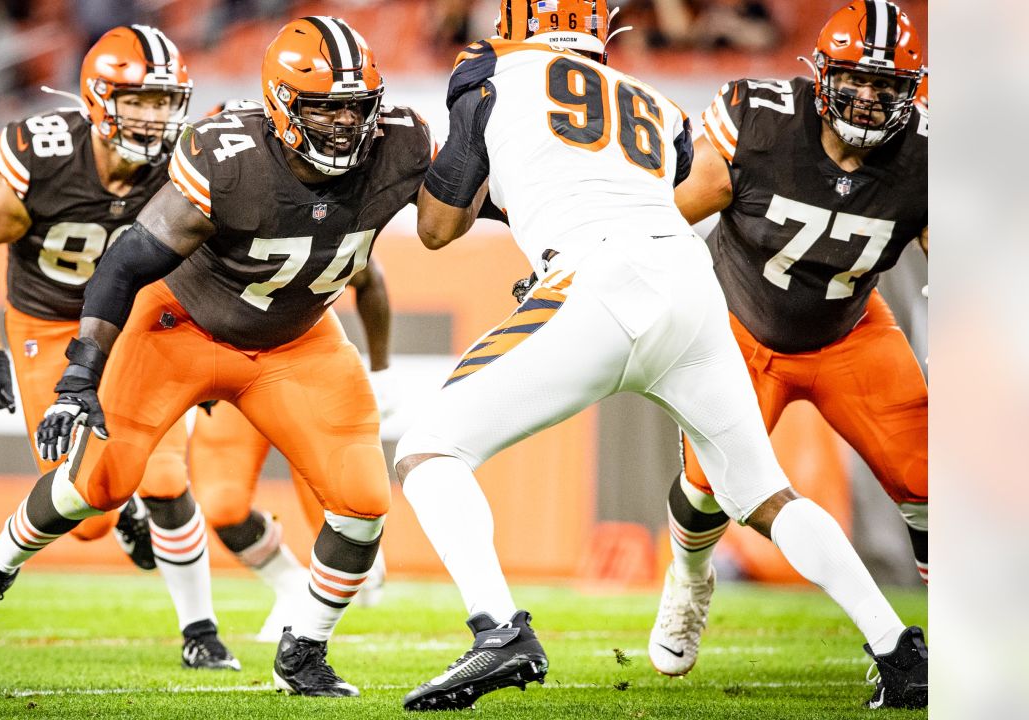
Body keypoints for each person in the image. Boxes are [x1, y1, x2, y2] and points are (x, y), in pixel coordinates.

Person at [393, 0, 925, 711]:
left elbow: (437, 228)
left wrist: (439, 182)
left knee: (428, 451)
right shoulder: (659, 104)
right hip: (691, 285)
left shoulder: (491, 70)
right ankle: (898, 650)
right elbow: (631, 188)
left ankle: (497, 630)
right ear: (596, 31)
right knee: (762, 494)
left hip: (596, 280)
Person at [0, 15, 434, 697]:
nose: (344, 124)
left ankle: (302, 651)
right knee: (97, 487)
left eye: (355, 107)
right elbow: (126, 263)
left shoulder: (399, 144)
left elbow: (458, 212)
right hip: (178, 328)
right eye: (326, 107)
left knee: (364, 501)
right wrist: (77, 367)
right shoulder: (227, 153)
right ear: (283, 105)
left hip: (296, 336)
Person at [0, 24, 241, 672]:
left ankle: (201, 631)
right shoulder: (43, 156)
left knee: (168, 478)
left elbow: (214, 256)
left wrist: (211, 347)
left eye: (164, 100)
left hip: (140, 323)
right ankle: (117, 515)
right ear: (97, 98)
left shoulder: (187, 158)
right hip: (48, 324)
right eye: (139, 100)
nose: (156, 116)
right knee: (87, 510)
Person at [648, 0, 928, 698]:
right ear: (820, 75)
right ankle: (687, 581)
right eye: (856, 80)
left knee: (932, 483)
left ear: (910, 92)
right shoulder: (761, 118)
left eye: (887, 86)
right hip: (741, 331)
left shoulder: (926, 154)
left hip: (849, 333)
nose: (869, 98)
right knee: (707, 489)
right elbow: (683, 207)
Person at [189, 253, 396, 643]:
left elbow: (370, 278)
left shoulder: (316, 222)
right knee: (222, 506)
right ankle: (289, 583)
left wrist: (382, 371)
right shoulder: (205, 215)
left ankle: (341, 577)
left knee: (342, 513)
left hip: (303, 369)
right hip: (231, 369)